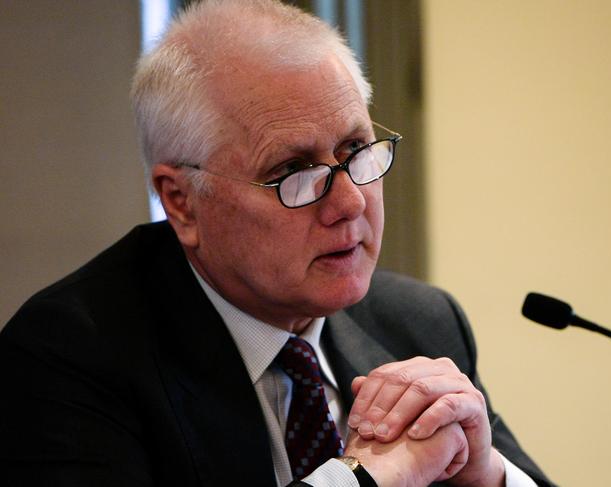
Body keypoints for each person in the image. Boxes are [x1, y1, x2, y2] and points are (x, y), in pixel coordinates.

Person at [0, 1, 555, 486]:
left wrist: (487, 475)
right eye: (293, 171)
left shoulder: (418, 323)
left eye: (357, 149)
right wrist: (357, 481)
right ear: (182, 202)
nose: (351, 203)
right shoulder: (70, 357)